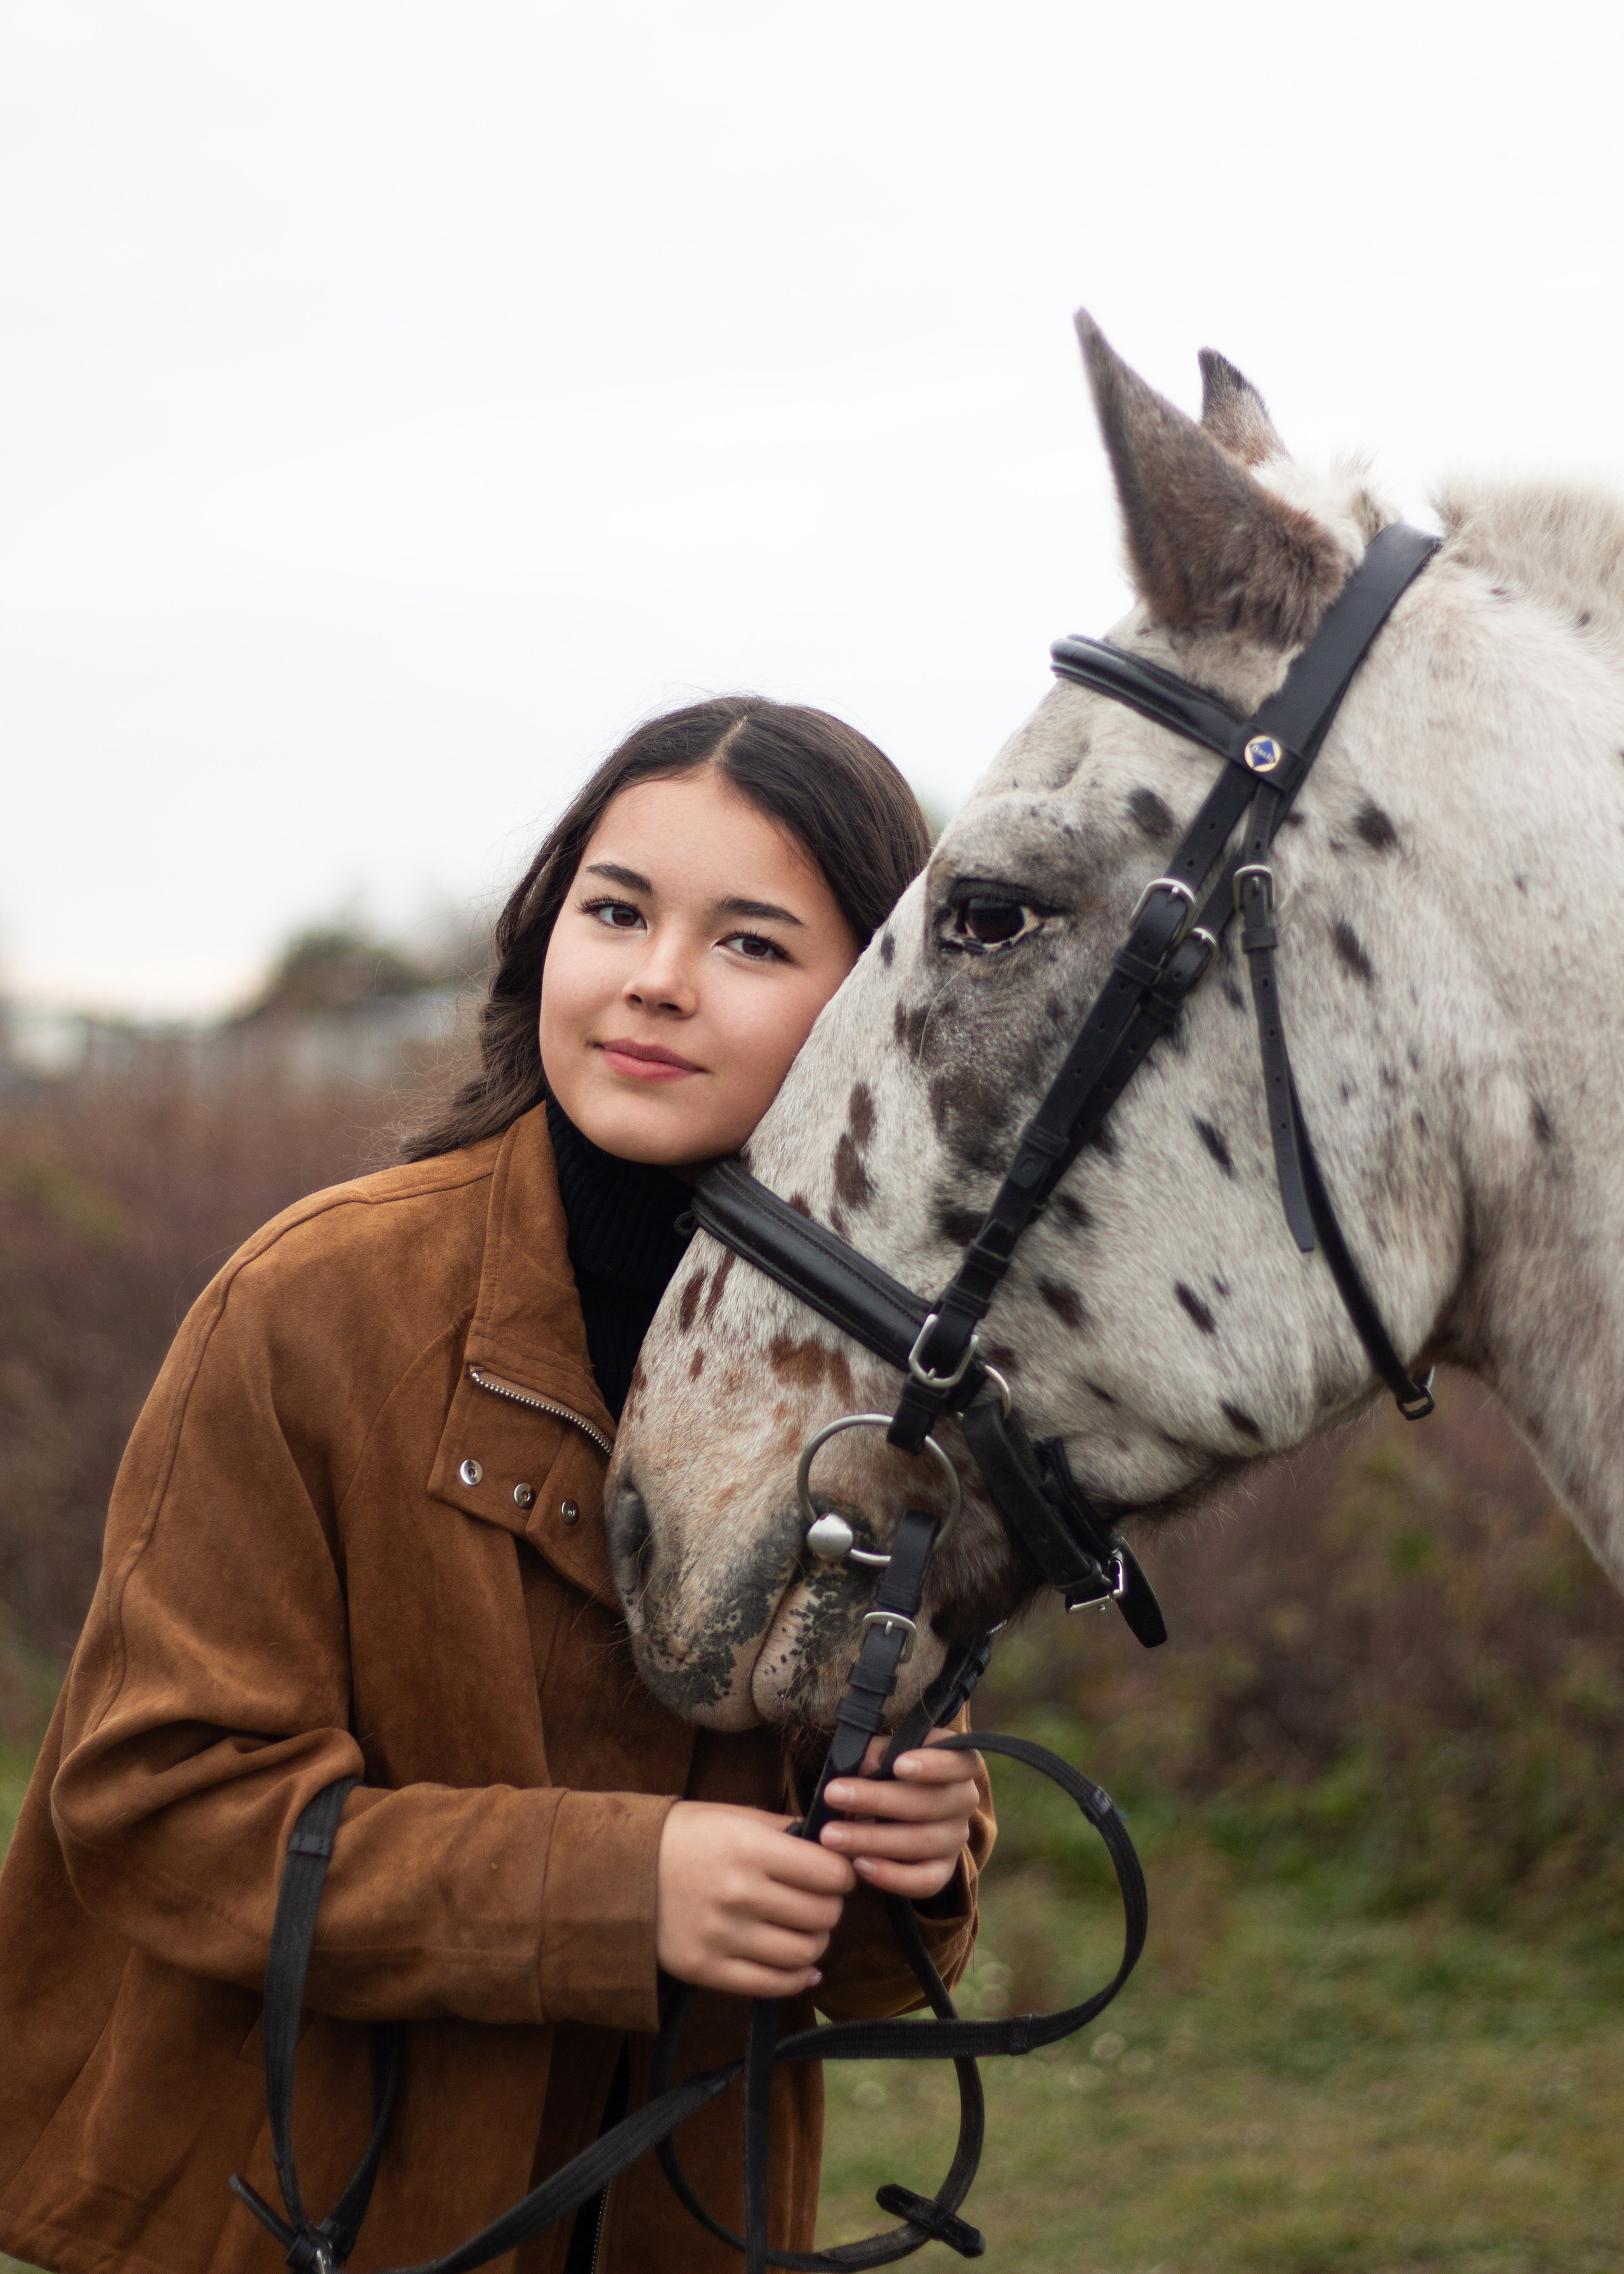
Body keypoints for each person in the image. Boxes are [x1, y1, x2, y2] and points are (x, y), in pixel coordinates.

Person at [0, 697, 993, 2274]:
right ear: (544, 935)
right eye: (615, 912)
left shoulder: (886, 1389)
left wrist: (909, 1855)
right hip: (311, 2212)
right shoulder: (312, 1306)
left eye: (748, 942)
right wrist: (619, 1886)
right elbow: (153, 1808)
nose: (655, 978)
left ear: (874, 1005)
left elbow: (855, 1973)